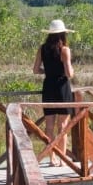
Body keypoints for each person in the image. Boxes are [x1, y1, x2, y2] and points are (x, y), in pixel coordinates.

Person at [33, 19, 75, 165]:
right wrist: (66, 70)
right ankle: (63, 159)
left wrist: (49, 71)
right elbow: (69, 73)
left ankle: (52, 158)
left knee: (49, 126)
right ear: (63, 34)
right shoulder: (65, 50)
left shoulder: (42, 48)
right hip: (62, 87)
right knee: (62, 126)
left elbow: (35, 70)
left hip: (48, 86)